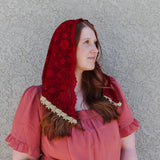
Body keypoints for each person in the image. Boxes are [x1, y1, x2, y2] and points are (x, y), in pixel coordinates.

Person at [5, 18, 140, 160]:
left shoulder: (108, 90)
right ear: (67, 47)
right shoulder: (38, 100)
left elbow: (128, 148)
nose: (95, 50)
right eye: (86, 42)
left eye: (95, 43)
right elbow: (24, 158)